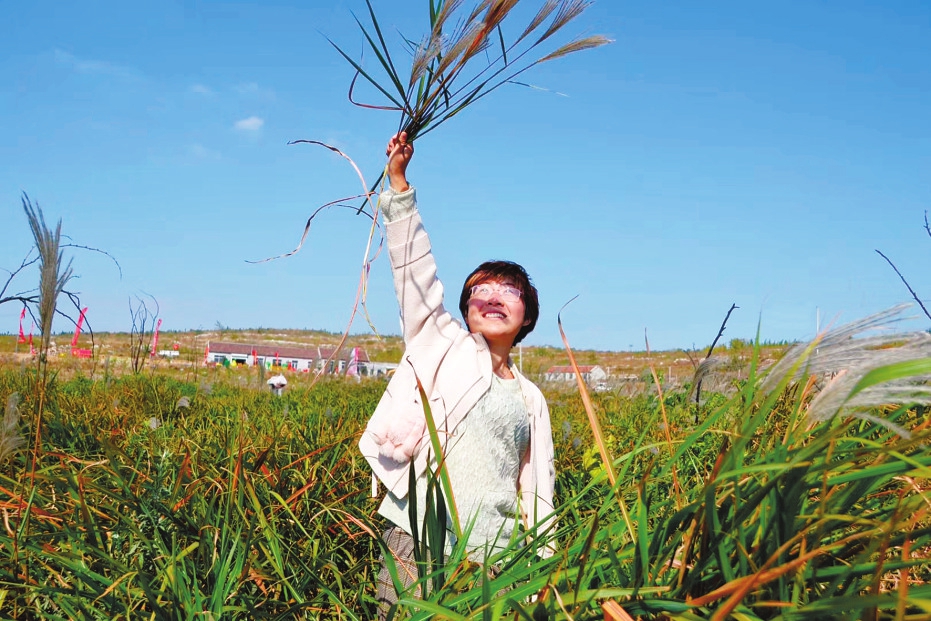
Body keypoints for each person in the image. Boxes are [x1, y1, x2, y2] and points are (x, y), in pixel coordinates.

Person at [358, 133, 556, 616]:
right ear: (465, 310)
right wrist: (400, 187)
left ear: (526, 316)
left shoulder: (531, 398)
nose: (491, 295)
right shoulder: (439, 342)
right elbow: (416, 276)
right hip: (416, 536)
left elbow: (537, 490)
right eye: (479, 290)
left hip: (494, 557)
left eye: (508, 290)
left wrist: (538, 572)